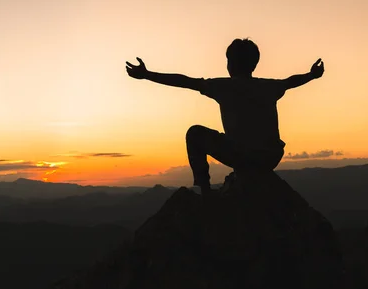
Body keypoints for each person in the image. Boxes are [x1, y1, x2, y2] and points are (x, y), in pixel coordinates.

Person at [125, 38, 324, 195]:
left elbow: (185, 81)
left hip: (243, 157)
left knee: (194, 134)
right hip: (270, 158)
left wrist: (148, 75)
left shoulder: (222, 86)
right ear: (254, 64)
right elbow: (292, 81)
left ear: (230, 63)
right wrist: (312, 75)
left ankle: (205, 191)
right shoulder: (270, 86)